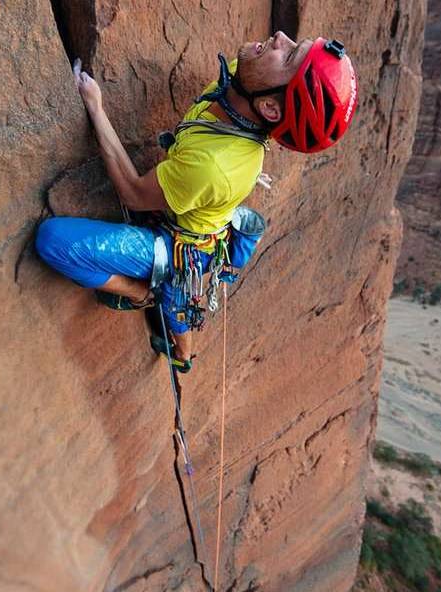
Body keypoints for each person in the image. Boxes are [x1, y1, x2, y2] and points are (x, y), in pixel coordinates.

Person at [36, 31, 358, 373]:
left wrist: (95, 108)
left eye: (289, 56)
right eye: (296, 43)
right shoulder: (242, 77)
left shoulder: (213, 166)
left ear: (270, 107)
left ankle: (158, 318)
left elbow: (132, 193)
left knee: (56, 243)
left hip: (182, 248)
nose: (281, 38)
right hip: (194, 203)